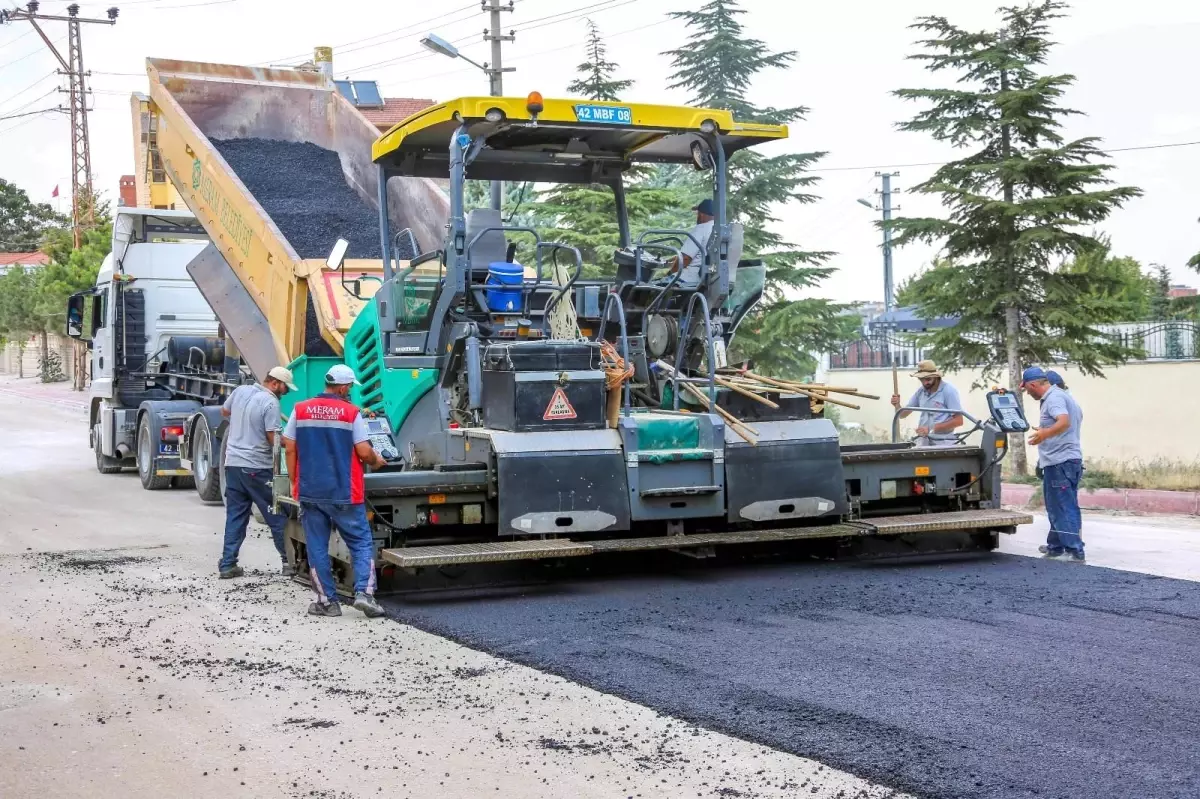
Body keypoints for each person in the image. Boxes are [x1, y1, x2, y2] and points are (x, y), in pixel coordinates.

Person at [282, 364, 389, 618]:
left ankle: (328, 603)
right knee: (361, 543)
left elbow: (289, 446)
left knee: (317, 546)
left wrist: (295, 481)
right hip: (345, 492)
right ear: (342, 387)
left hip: (311, 490)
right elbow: (363, 451)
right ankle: (365, 594)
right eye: (350, 386)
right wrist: (377, 461)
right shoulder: (351, 413)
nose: (350, 390)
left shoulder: (301, 409)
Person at [218, 366, 297, 580]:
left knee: (236, 516)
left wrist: (244, 418)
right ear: (275, 383)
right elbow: (273, 439)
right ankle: (288, 563)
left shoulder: (240, 391)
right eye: (285, 387)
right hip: (257, 468)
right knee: (277, 515)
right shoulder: (270, 402)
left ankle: (228, 564)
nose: (286, 391)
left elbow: (224, 412)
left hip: (233, 466)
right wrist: (293, 449)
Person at [1021, 366, 1085, 564]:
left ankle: (1074, 551)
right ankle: (1056, 547)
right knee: (1058, 506)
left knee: (1063, 507)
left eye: (1027, 389)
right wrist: (1046, 432)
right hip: (1066, 460)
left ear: (1033, 385)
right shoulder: (1066, 397)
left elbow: (1063, 422)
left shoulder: (1054, 399)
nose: (1028, 393)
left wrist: (1044, 434)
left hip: (1060, 462)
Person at [890, 360, 964, 446]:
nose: (925, 383)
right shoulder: (921, 392)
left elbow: (959, 421)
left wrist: (930, 429)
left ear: (936, 377)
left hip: (943, 443)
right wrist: (897, 405)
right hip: (924, 442)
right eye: (921, 379)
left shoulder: (948, 391)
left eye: (928, 379)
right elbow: (902, 415)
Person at [674, 198, 715, 285]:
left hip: (688, 279)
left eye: (698, 213)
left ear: (701, 214)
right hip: (706, 278)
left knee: (654, 286)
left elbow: (684, 259)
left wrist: (669, 273)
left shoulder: (701, 228)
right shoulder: (717, 230)